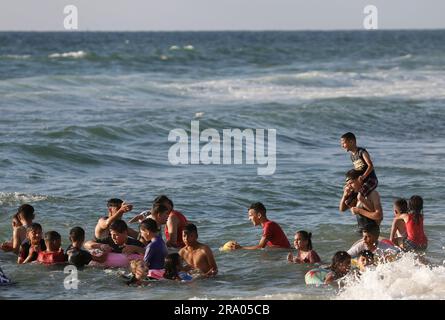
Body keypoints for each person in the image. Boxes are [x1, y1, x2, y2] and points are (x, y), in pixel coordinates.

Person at [340, 132, 378, 206]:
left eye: (344, 143)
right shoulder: (352, 156)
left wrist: (363, 176)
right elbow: (356, 172)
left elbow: (370, 165)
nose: (342, 146)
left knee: (359, 196)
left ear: (351, 142)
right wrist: (349, 182)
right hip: (362, 182)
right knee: (349, 196)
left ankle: (369, 210)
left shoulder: (362, 152)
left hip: (371, 180)